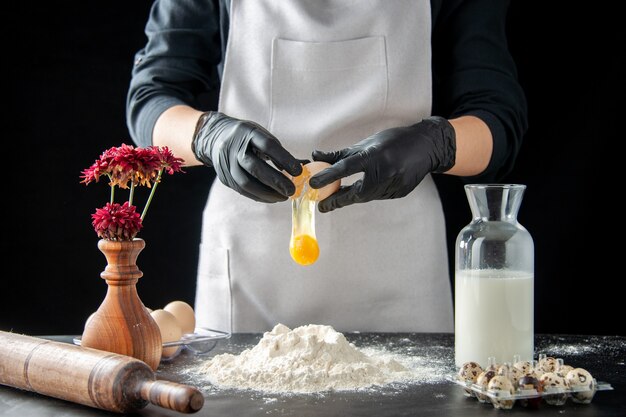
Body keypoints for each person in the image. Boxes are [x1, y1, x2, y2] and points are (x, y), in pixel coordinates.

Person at [126, 0, 528, 333]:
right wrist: (209, 136)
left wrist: (434, 144)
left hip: (398, 267)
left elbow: (497, 117)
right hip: (252, 264)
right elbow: (151, 97)